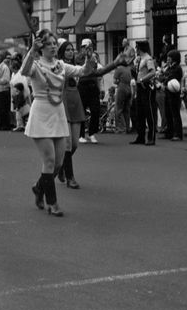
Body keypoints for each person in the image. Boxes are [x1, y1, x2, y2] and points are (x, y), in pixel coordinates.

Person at [21, 30, 126, 216]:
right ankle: (52, 204)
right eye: (49, 44)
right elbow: (24, 71)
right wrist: (31, 50)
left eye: (55, 43)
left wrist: (89, 58)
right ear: (41, 47)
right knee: (49, 160)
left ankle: (39, 188)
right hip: (41, 114)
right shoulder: (36, 65)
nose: (53, 46)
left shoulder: (61, 65)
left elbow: (84, 71)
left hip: (58, 113)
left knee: (59, 162)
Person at [57, 40, 87, 188]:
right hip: (63, 103)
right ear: (62, 51)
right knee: (68, 143)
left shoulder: (75, 66)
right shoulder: (59, 65)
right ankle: (70, 177)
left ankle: (62, 165)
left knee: (75, 143)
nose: (70, 52)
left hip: (75, 101)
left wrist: (90, 58)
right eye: (67, 49)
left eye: (72, 49)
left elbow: (85, 70)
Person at [131, 40, 158, 146]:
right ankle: (140, 136)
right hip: (139, 87)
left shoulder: (148, 58)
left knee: (149, 112)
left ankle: (151, 137)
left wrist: (142, 80)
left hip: (147, 86)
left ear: (141, 48)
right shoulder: (138, 59)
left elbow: (153, 72)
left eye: (137, 47)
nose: (136, 49)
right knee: (140, 112)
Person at [76, 38, 101, 144]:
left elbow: (95, 68)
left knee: (96, 110)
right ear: (81, 48)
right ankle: (81, 134)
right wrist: (86, 57)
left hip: (93, 85)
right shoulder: (78, 57)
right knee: (81, 111)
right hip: (82, 86)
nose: (86, 49)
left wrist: (90, 56)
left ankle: (91, 133)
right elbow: (82, 69)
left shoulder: (94, 56)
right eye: (84, 47)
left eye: (89, 46)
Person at [161, 49, 184, 141]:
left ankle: (178, 134)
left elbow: (169, 77)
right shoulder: (170, 67)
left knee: (175, 114)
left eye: (169, 58)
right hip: (167, 92)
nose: (167, 59)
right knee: (168, 113)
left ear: (174, 58)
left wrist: (163, 79)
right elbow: (164, 76)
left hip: (174, 93)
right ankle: (169, 133)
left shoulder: (177, 68)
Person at [113, 45, 135, 134]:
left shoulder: (118, 69)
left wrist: (118, 82)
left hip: (121, 88)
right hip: (129, 88)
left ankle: (120, 128)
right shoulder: (128, 68)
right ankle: (127, 127)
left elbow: (115, 81)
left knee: (118, 109)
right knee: (127, 110)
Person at [0, 52, 13, 130]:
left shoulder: (4, 67)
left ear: (0, 59)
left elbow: (6, 80)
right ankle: (2, 124)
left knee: (4, 109)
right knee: (0, 109)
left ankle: (5, 125)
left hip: (3, 90)